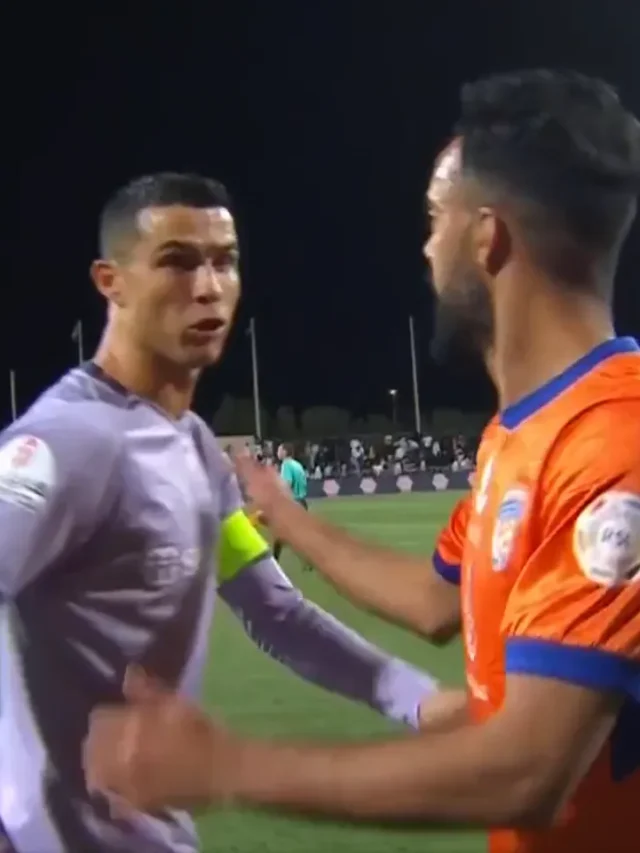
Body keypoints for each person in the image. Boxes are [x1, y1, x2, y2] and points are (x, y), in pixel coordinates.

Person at [85, 68, 640, 853]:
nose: (424, 244)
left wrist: (227, 765)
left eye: (433, 217)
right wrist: (284, 514)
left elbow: (529, 771)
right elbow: (436, 600)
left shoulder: (616, 439)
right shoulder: (520, 435)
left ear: (488, 237)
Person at [0, 172, 444, 853]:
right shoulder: (64, 445)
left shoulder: (198, 452)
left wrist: (418, 699)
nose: (207, 286)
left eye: (224, 261)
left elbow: (274, 609)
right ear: (109, 281)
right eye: (177, 261)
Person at [272, 443, 312, 570]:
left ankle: (274, 562)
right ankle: (309, 560)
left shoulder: (286, 465)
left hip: (292, 503)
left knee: (280, 534)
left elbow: (287, 484)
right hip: (302, 502)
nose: (277, 452)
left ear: (285, 452)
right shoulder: (297, 464)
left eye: (279, 449)